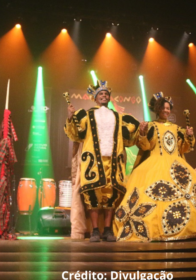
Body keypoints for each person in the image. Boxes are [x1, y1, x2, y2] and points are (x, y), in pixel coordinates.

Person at [113, 92, 196, 242]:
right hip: (156, 163)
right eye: (163, 108)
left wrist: (189, 136)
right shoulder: (151, 126)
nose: (166, 110)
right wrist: (143, 134)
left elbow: (184, 148)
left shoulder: (177, 128)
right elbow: (146, 146)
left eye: (168, 108)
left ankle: (193, 228)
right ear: (157, 109)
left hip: (177, 165)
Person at [64, 80, 139, 242]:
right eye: (101, 94)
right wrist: (70, 118)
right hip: (93, 162)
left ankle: (108, 229)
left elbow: (130, 136)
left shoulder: (118, 117)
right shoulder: (86, 115)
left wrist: (142, 129)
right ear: (95, 98)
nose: (104, 96)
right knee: (93, 196)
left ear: (109, 98)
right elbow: (76, 134)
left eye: (106, 94)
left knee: (111, 195)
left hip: (113, 161)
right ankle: (95, 230)